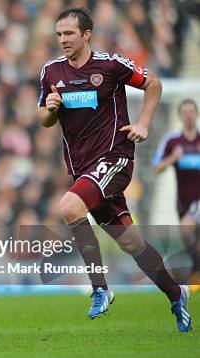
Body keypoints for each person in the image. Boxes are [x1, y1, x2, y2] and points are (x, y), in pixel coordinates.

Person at [37, 8, 191, 332]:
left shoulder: (110, 65)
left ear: (86, 34)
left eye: (69, 34)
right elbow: (44, 117)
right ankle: (177, 294)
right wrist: (50, 111)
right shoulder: (51, 72)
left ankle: (100, 288)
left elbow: (153, 84)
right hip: (83, 170)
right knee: (131, 242)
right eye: (59, 35)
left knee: (69, 207)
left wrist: (145, 123)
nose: (63, 40)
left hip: (115, 158)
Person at [153, 99, 200, 289]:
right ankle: (196, 271)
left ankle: (195, 273)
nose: (188, 115)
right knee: (189, 237)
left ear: (196, 114)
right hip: (182, 200)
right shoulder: (173, 141)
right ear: (180, 116)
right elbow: (157, 167)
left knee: (187, 228)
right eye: (185, 112)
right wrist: (173, 158)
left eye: (191, 111)